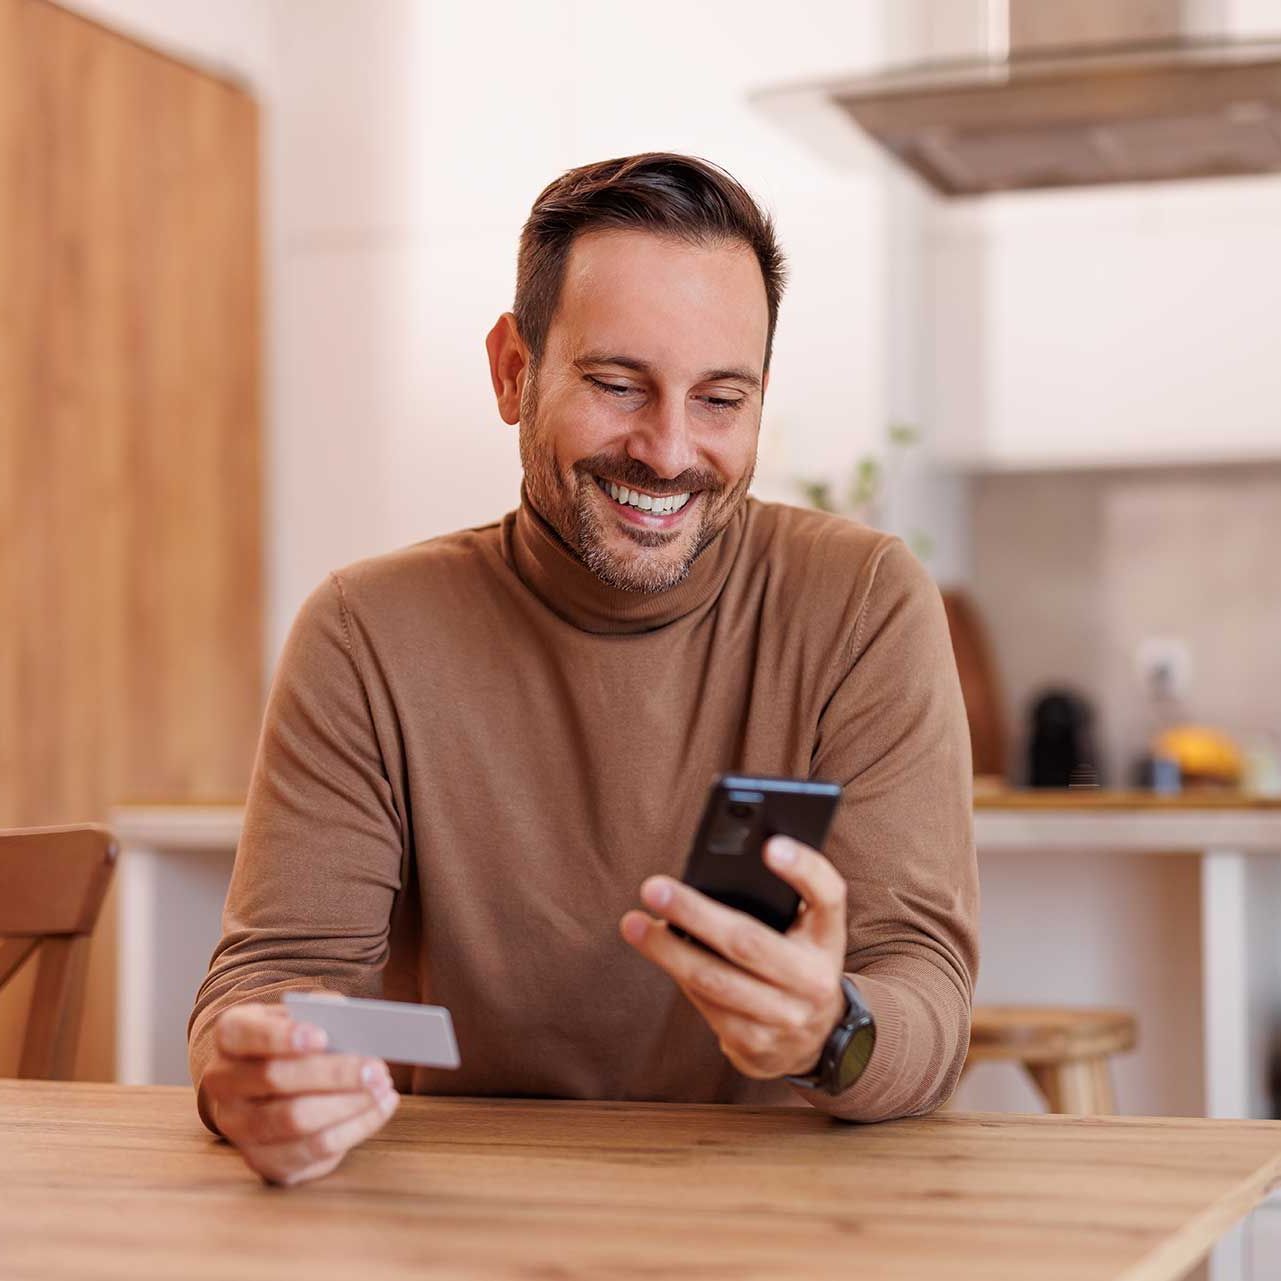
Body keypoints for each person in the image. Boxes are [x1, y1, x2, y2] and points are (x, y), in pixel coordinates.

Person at [189, 152, 979, 1187]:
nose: (667, 450)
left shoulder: (861, 601)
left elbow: (925, 985)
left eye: (720, 399)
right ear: (513, 371)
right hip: (457, 1210)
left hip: (772, 1208)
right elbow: (273, 980)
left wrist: (834, 1032)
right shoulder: (367, 631)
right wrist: (267, 1070)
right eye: (617, 385)